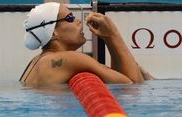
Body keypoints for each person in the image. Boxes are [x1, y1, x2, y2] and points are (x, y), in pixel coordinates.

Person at [20, 2, 153, 86]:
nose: (78, 21)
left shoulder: (37, 61)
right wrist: (113, 34)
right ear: (53, 32)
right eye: (70, 18)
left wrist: (107, 38)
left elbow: (121, 79)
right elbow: (132, 86)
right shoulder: (71, 59)